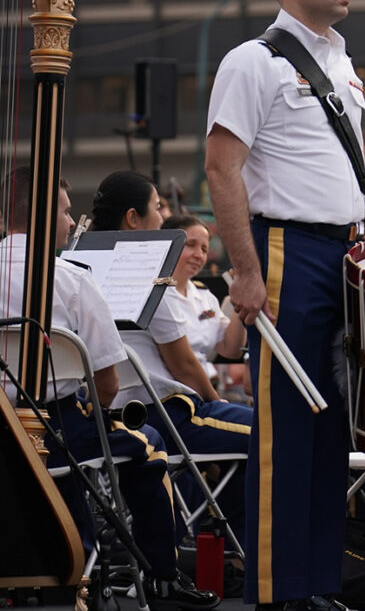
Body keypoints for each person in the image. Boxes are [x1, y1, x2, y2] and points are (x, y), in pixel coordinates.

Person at [206, 0, 365, 611]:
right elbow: (222, 167)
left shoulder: (343, 64)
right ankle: (279, 588)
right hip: (287, 250)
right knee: (287, 429)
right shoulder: (251, 62)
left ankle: (321, 583)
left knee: (331, 433)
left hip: (346, 249)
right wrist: (246, 268)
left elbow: (338, 165)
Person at [0, 167, 218, 611]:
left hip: (3, 429)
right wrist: (92, 412)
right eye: (63, 212)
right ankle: (161, 577)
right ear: (43, 215)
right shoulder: (74, 279)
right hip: (58, 430)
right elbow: (107, 380)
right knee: (151, 447)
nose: (69, 221)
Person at [94, 172, 253, 548]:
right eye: (158, 208)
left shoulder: (90, 270)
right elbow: (183, 365)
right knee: (276, 431)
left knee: (246, 437)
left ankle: (223, 544)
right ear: (134, 218)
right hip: (169, 413)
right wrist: (218, 403)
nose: (164, 219)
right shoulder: (152, 279)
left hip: (119, 413)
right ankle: (237, 545)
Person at [160, 214, 248, 393]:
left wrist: (241, 302)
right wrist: (215, 400)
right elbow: (183, 367)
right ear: (169, 244)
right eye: (190, 245)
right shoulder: (156, 294)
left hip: (206, 391)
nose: (198, 255)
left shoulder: (204, 296)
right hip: (177, 395)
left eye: (204, 249)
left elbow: (231, 349)